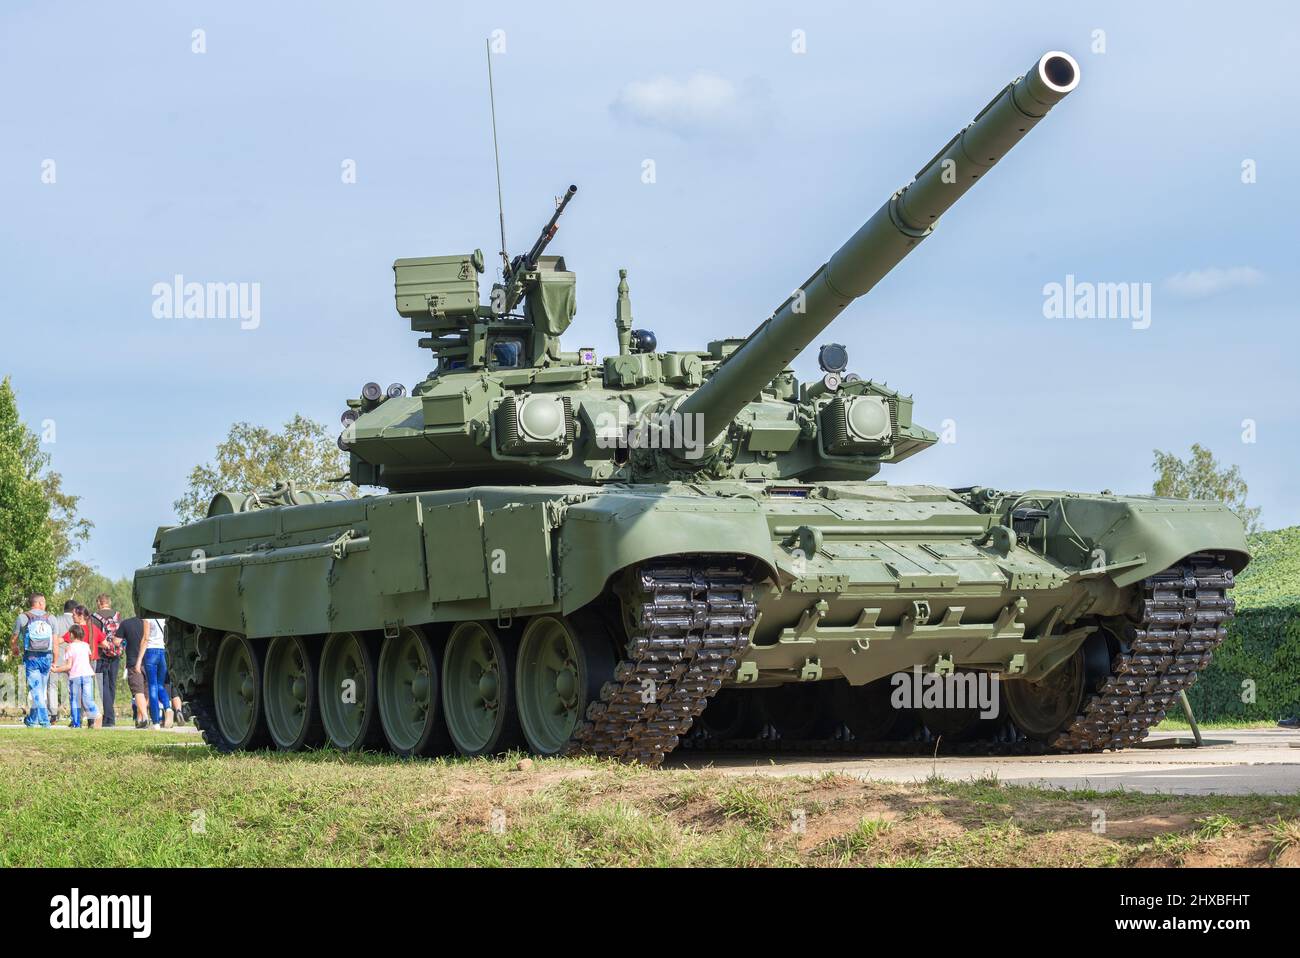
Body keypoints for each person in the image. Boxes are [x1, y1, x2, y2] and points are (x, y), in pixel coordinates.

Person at [9, 593, 59, 728]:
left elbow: (14, 638)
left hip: (31, 657)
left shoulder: (22, 617)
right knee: (39, 691)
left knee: (37, 691)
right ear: (40, 603)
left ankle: (44, 722)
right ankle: (31, 720)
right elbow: (55, 643)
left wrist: (15, 649)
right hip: (47, 657)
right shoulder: (51, 618)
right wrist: (55, 660)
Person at [50, 624, 100, 729]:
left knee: (75, 700)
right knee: (88, 698)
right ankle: (96, 714)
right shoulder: (86, 645)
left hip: (75, 677)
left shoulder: (70, 647)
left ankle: (76, 723)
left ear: (72, 634)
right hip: (87, 675)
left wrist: (56, 669)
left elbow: (69, 666)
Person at [133, 616, 172, 729]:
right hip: (163, 652)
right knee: (160, 685)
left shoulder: (147, 618)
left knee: (152, 687)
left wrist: (139, 660)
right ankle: (167, 707)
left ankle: (155, 722)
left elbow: (146, 638)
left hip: (151, 652)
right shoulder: (165, 618)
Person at [90, 594, 123, 727]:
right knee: (111, 685)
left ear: (99, 602)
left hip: (101, 654)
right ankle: (109, 716)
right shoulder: (117, 616)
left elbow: (93, 638)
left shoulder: (94, 617)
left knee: (102, 685)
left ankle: (109, 718)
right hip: (115, 653)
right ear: (109, 602)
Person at [115, 616, 149, 729]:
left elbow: (116, 641)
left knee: (137, 691)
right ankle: (140, 719)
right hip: (150, 661)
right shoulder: (149, 622)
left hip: (134, 661)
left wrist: (124, 641)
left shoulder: (126, 623)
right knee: (146, 691)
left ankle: (144, 717)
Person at [46, 599, 77, 724]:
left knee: (52, 686)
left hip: (56, 658)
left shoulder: (55, 620)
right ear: (74, 610)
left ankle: (53, 714)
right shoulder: (77, 621)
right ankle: (74, 714)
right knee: (72, 687)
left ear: (64, 609)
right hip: (72, 659)